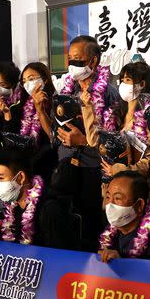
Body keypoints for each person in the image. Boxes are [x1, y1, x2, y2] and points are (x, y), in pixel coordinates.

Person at [54, 35, 121, 249]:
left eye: (77, 58)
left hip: (94, 170)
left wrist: (83, 140)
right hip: (67, 166)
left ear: (92, 61)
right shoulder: (67, 92)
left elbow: (117, 141)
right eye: (69, 58)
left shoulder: (110, 95)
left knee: (93, 226)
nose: (71, 63)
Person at [92, 61, 150, 202]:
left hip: (136, 187)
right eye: (121, 80)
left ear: (142, 84)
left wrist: (121, 169)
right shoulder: (115, 113)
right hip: (111, 186)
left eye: (127, 80)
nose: (122, 84)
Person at [0, 147, 77, 249]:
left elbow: (61, 254)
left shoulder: (48, 209)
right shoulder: (12, 208)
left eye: (1, 178)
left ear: (21, 177)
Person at [98, 171, 150, 262]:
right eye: (108, 197)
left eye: (117, 198)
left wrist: (121, 264)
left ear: (139, 205)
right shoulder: (111, 232)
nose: (110, 204)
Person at [4, 62, 58, 183]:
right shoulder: (18, 107)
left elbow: (54, 138)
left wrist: (41, 110)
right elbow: (9, 137)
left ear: (45, 79)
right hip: (23, 164)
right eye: (24, 81)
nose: (28, 84)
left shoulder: (56, 104)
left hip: (47, 166)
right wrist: (7, 116)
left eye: (32, 79)